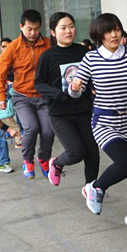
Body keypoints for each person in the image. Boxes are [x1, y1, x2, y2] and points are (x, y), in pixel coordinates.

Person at [69, 13, 127, 242]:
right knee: (126, 163)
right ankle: (96, 187)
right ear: (99, 35)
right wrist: (75, 87)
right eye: (108, 31)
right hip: (104, 122)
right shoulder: (91, 58)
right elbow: (76, 91)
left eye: (117, 29)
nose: (114, 35)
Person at [34, 12, 99, 187]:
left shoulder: (84, 52)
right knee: (76, 152)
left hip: (84, 111)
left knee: (93, 154)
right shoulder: (48, 56)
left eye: (71, 26)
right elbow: (38, 84)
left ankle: (91, 190)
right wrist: (58, 94)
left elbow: (92, 76)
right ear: (53, 32)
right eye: (63, 28)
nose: (68, 31)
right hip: (60, 114)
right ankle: (56, 163)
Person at [0, 9, 54, 179]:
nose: (33, 33)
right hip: (22, 97)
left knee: (48, 131)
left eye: (36, 29)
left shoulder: (49, 44)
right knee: (31, 127)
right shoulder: (12, 47)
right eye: (29, 29)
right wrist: (0, 97)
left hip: (44, 97)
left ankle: (44, 159)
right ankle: (28, 160)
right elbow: (0, 75)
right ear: (21, 26)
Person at [0, 37, 22, 150]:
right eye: (3, 46)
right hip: (7, 88)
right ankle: (19, 141)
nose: (4, 48)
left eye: (7, 46)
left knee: (5, 123)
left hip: (14, 86)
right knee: (12, 123)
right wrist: (5, 85)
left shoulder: (16, 57)